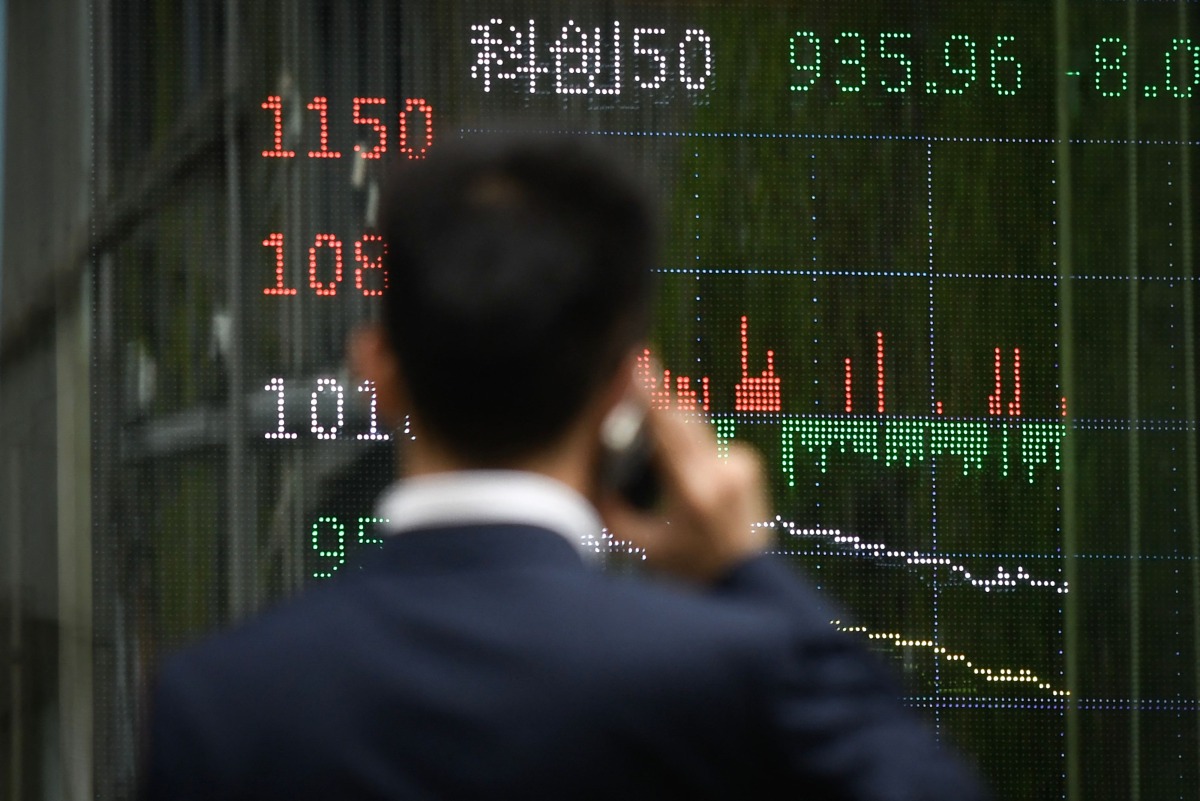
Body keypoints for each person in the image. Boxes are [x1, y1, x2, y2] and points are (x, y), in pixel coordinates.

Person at [142, 136, 988, 800]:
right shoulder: (724, 680)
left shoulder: (218, 703)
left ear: (379, 374)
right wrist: (748, 566)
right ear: (627, 385)